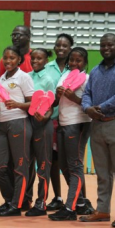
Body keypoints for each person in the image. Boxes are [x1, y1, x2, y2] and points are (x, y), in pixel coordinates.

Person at [80, 33, 115, 228]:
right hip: (97, 125)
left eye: (110, 45)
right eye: (102, 45)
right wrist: (87, 108)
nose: (106, 48)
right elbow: (87, 93)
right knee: (103, 173)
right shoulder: (96, 71)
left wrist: (100, 108)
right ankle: (103, 210)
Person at [48, 47, 94, 221]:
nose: (74, 63)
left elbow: (91, 104)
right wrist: (58, 96)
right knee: (64, 165)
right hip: (62, 122)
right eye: (71, 60)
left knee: (75, 165)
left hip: (79, 124)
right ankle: (81, 203)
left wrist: (74, 97)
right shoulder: (64, 76)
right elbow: (54, 103)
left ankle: (70, 207)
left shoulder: (88, 79)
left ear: (85, 63)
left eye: (78, 60)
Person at [0, 46, 34, 217]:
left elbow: (33, 102)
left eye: (12, 58)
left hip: (19, 123)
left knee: (20, 167)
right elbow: (0, 107)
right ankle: (11, 200)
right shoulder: (1, 78)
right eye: (6, 58)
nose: (8, 61)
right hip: (2, 125)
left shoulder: (23, 77)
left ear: (19, 60)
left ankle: (16, 206)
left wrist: (18, 105)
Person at [44, 33, 73, 211]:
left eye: (65, 46)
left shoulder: (75, 69)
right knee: (53, 161)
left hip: (71, 120)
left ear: (70, 48)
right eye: (58, 45)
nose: (61, 48)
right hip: (51, 120)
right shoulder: (47, 68)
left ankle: (76, 198)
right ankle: (57, 197)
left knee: (70, 162)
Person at [25, 48, 55, 217]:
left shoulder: (48, 79)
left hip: (42, 126)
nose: (35, 61)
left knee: (43, 164)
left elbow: (50, 107)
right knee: (27, 164)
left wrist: (44, 117)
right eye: (33, 58)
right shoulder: (27, 77)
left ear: (45, 61)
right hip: (28, 124)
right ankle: (26, 199)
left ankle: (41, 202)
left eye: (39, 58)